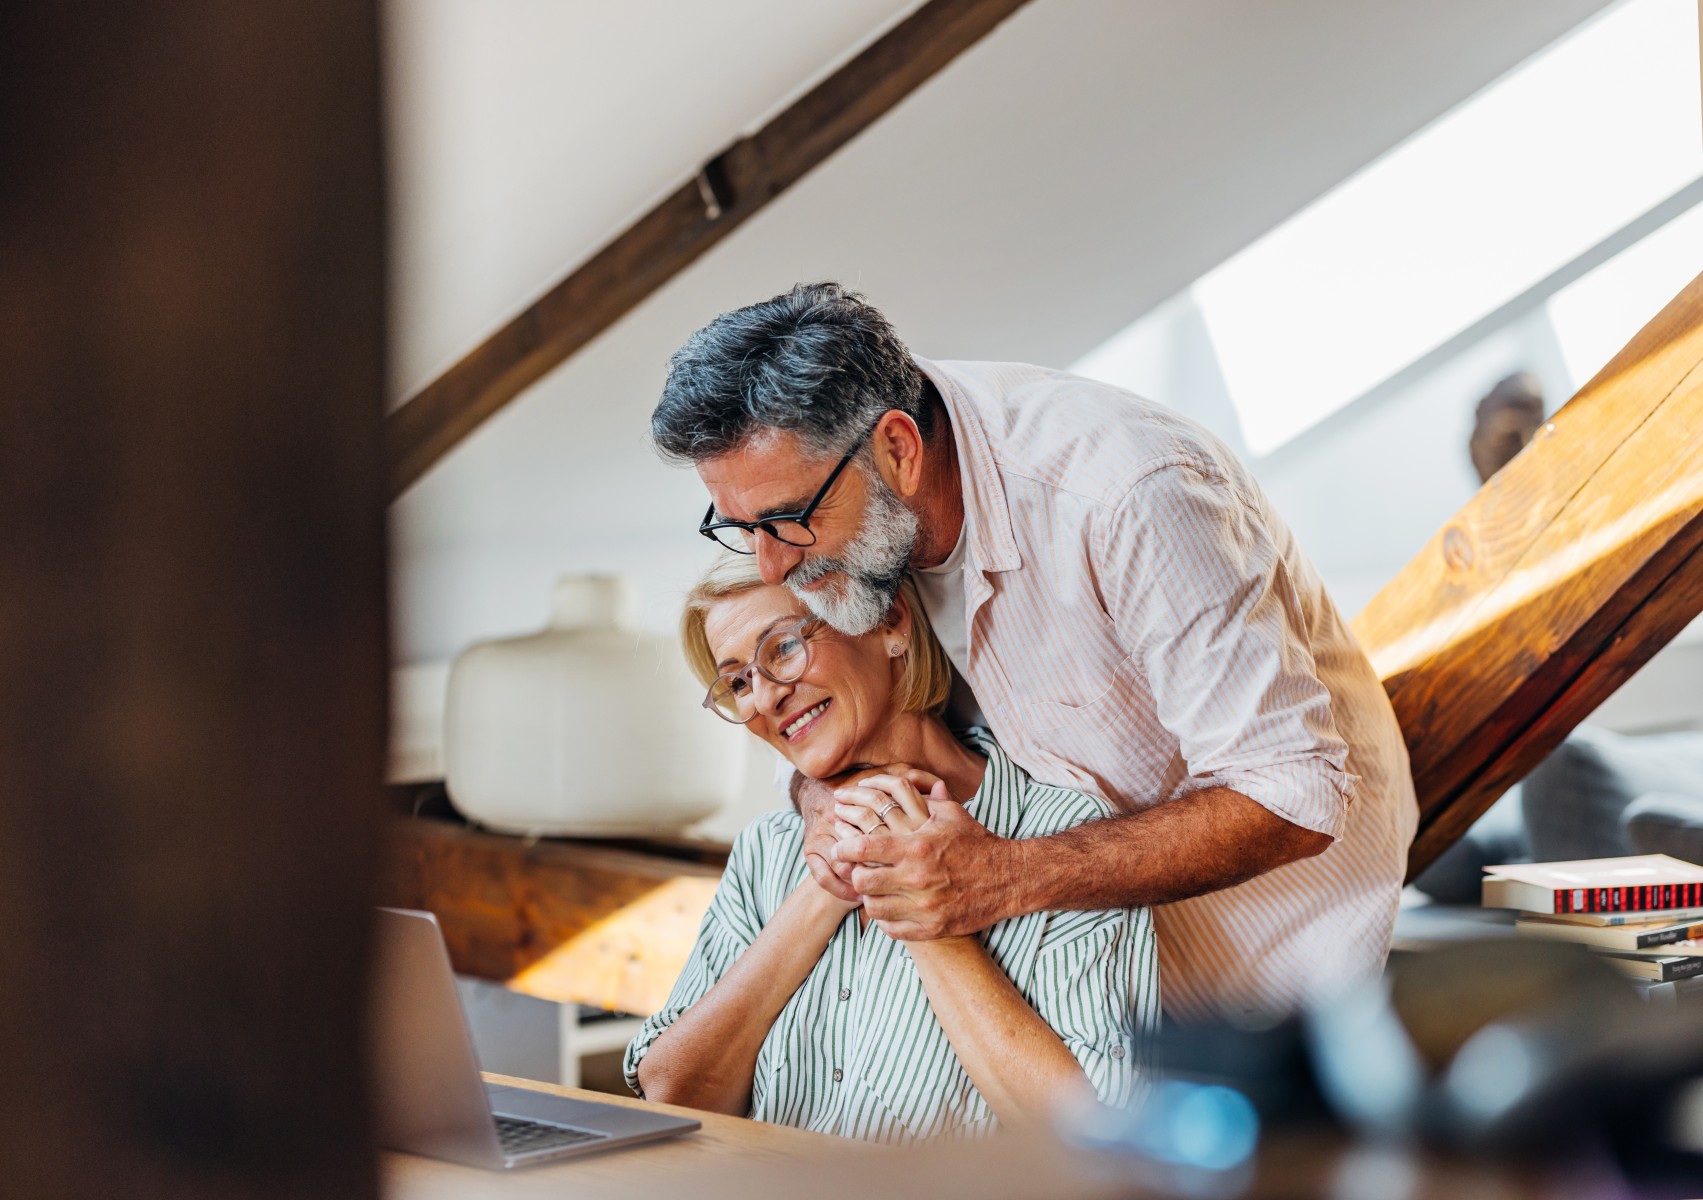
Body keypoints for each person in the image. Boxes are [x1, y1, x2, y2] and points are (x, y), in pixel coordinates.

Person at [649, 282, 1418, 1020]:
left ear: (898, 451)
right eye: (739, 527)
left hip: (1265, 954)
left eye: (786, 520)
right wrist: (820, 796)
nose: (772, 565)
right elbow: (861, 707)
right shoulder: (865, 508)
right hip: (1062, 958)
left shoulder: (1129, 493)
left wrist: (1002, 876)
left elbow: (1292, 796)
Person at [622, 559, 1158, 1143]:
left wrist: (926, 908)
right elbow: (673, 1094)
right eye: (739, 683)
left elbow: (1096, 1139)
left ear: (890, 623)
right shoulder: (769, 850)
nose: (766, 697)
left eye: (781, 648)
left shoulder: (1061, 832)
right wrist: (820, 893)